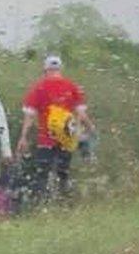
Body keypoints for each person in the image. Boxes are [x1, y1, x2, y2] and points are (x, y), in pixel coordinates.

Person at [16, 55, 96, 204]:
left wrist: (23, 137)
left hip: (46, 138)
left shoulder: (38, 88)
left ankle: (41, 204)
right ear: (60, 69)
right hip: (67, 137)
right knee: (63, 172)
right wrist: (91, 128)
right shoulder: (71, 86)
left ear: (45, 70)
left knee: (42, 174)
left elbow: (30, 116)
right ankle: (63, 202)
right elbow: (81, 114)